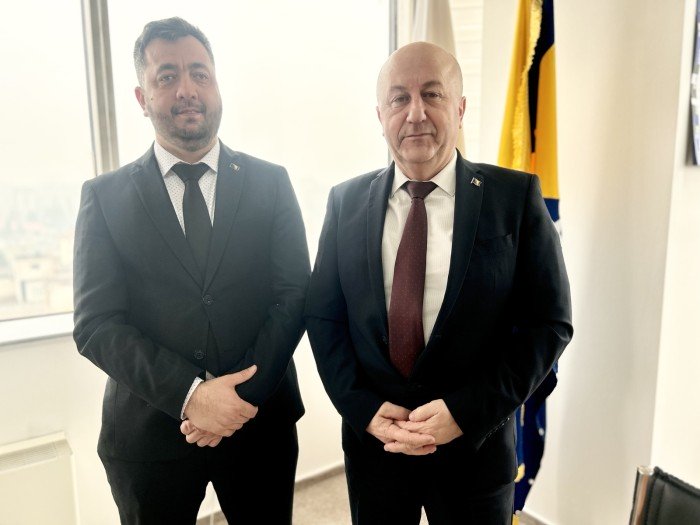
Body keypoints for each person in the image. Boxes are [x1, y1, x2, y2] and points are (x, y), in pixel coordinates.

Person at [304, 41, 572, 524]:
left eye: (432, 94)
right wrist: (364, 409)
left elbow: (549, 324)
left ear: (460, 107)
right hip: (377, 451)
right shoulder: (345, 203)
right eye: (399, 98)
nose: (415, 113)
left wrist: (465, 413)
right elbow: (325, 319)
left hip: (476, 454)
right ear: (380, 115)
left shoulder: (514, 198)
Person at [73, 17, 310, 524]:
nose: (187, 89)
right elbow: (96, 325)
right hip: (149, 436)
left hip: (259, 425)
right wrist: (191, 396)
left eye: (200, 73)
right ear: (142, 97)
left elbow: (293, 296)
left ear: (217, 85)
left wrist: (236, 400)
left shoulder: (271, 183)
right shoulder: (104, 198)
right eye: (167, 76)